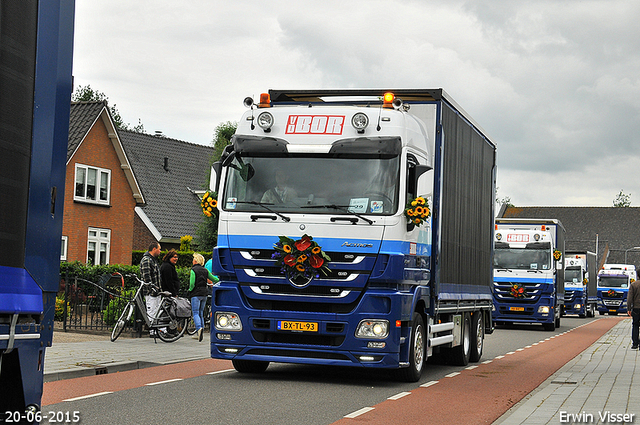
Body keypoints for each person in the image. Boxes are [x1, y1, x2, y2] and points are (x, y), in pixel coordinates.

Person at [189, 253, 219, 342]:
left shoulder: (193, 270)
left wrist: (190, 290)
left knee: (195, 312)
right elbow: (215, 279)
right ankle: (200, 332)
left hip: (196, 294)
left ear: (195, 261)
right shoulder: (205, 270)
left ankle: (199, 329)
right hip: (204, 294)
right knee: (201, 312)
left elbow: (192, 283)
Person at [140, 241, 161, 337]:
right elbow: (146, 277)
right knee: (151, 310)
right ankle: (152, 331)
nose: (160, 251)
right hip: (151, 292)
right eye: (159, 249)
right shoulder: (147, 260)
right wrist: (152, 289)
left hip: (155, 291)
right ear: (154, 249)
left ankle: (156, 330)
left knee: (155, 310)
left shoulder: (152, 260)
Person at [627, 277, 640, 349]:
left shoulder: (633, 285)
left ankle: (635, 343)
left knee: (635, 325)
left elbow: (629, 298)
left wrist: (629, 308)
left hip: (636, 308)